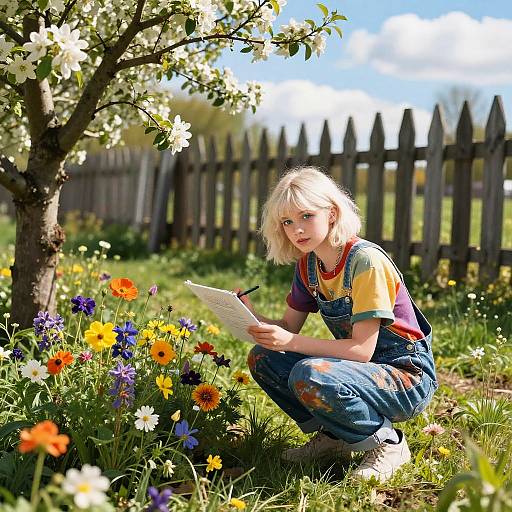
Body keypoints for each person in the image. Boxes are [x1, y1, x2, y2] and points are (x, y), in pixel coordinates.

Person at [238, 166, 437, 483]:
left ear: (331, 213)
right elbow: (289, 327)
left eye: (306, 216)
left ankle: (388, 443)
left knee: (311, 373)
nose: (297, 230)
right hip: (359, 371)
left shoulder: (366, 262)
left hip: (405, 376)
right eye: (287, 222)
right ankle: (335, 437)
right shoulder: (309, 266)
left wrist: (288, 342)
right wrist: (248, 314)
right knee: (263, 358)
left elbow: (360, 350)